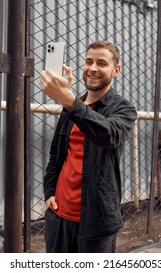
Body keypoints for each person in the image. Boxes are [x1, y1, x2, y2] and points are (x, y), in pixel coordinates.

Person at [40, 40, 137, 253]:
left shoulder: (124, 109)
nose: (92, 68)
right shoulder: (71, 107)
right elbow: (56, 154)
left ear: (115, 70)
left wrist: (70, 102)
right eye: (88, 62)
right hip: (59, 216)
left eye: (101, 63)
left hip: (97, 220)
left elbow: (109, 135)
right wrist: (49, 193)